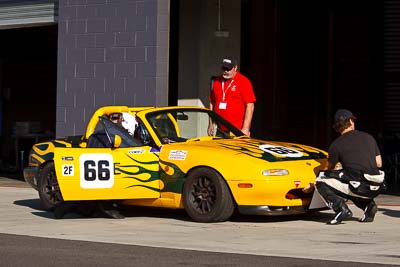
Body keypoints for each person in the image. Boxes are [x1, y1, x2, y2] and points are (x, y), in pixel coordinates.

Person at [315, 109, 384, 225]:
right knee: (352, 179)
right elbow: (379, 163)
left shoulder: (336, 145)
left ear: (337, 127)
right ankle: (369, 207)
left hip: (358, 187)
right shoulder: (369, 137)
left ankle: (341, 209)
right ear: (351, 121)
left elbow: (327, 170)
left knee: (320, 180)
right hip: (376, 187)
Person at [208, 57, 256, 136]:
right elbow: (212, 103)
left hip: (237, 131)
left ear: (235, 68)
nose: (225, 71)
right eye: (224, 68)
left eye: (228, 69)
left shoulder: (243, 82)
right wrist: (210, 124)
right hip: (220, 130)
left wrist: (245, 128)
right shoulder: (217, 81)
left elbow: (250, 106)